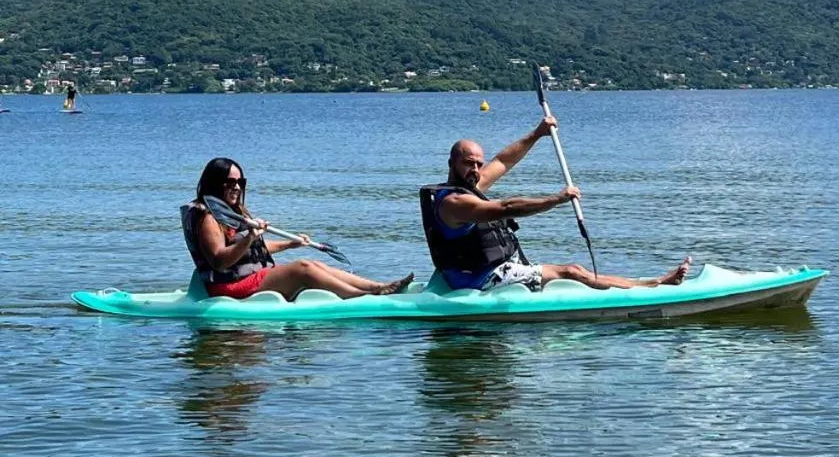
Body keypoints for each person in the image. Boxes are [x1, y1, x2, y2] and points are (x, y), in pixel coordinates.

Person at [420, 119, 690, 293]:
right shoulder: (455, 203)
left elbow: (503, 161)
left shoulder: (471, 185)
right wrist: (555, 200)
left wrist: (537, 134)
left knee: (571, 271)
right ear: (452, 163)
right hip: (478, 279)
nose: (477, 169)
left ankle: (640, 283)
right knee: (571, 271)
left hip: (486, 267)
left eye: (479, 163)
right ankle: (654, 285)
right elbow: (506, 208)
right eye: (469, 163)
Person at [183, 158, 414, 301]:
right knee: (302, 268)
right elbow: (219, 261)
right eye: (229, 182)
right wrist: (251, 235)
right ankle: (363, 297)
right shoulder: (207, 216)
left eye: (240, 182)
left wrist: (289, 244)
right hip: (227, 287)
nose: (236, 187)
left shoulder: (232, 210)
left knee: (313, 263)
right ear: (215, 183)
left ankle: (379, 286)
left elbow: (253, 252)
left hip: (248, 277)